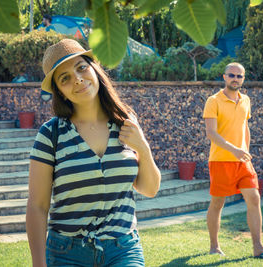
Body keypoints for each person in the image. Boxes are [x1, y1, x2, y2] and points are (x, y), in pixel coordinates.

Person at [26, 39, 161, 267]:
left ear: (94, 69)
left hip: (123, 250)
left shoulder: (126, 123)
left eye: (81, 67)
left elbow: (149, 189)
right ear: (60, 91)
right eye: (65, 78)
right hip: (67, 253)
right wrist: (39, 264)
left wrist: (143, 148)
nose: (77, 79)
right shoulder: (51, 134)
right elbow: (37, 206)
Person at [203, 62, 263, 259]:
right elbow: (211, 133)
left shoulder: (245, 100)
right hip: (220, 161)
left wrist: (245, 151)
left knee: (254, 198)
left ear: (243, 79)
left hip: (242, 161)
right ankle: (214, 246)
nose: (235, 79)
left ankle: (258, 247)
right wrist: (234, 150)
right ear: (224, 77)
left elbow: (245, 127)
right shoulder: (213, 101)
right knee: (217, 203)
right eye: (231, 75)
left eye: (239, 76)